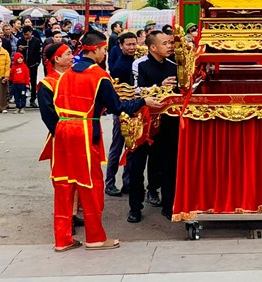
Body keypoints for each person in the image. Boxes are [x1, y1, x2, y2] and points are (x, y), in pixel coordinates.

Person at [46, 29, 160, 252]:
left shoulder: (66, 74)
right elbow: (118, 107)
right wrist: (144, 101)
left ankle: (62, 239)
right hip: (84, 131)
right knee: (90, 185)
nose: (104, 54)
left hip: (61, 131)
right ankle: (95, 238)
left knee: (63, 184)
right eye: (103, 49)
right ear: (98, 49)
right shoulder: (98, 76)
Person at [130, 31, 179, 222]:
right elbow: (135, 90)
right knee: (136, 167)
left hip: (168, 122)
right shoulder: (139, 64)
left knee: (169, 166)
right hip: (144, 122)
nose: (170, 46)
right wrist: (159, 85)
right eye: (165, 43)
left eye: (170, 43)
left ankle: (169, 205)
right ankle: (135, 208)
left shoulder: (174, 66)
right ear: (152, 47)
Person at [105, 31, 138, 197]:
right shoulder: (119, 67)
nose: (132, 47)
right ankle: (109, 183)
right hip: (122, 110)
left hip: (137, 109)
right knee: (117, 147)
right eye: (128, 45)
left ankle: (128, 182)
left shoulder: (138, 62)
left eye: (134, 44)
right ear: (121, 46)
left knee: (132, 148)